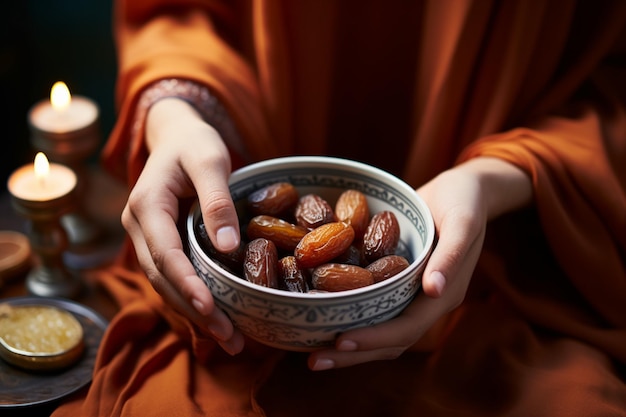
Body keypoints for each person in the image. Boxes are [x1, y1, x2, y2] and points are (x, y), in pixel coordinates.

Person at [54, 1, 626, 416]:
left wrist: (497, 180)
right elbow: (176, 14)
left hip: (501, 279)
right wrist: (176, 114)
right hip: (232, 331)